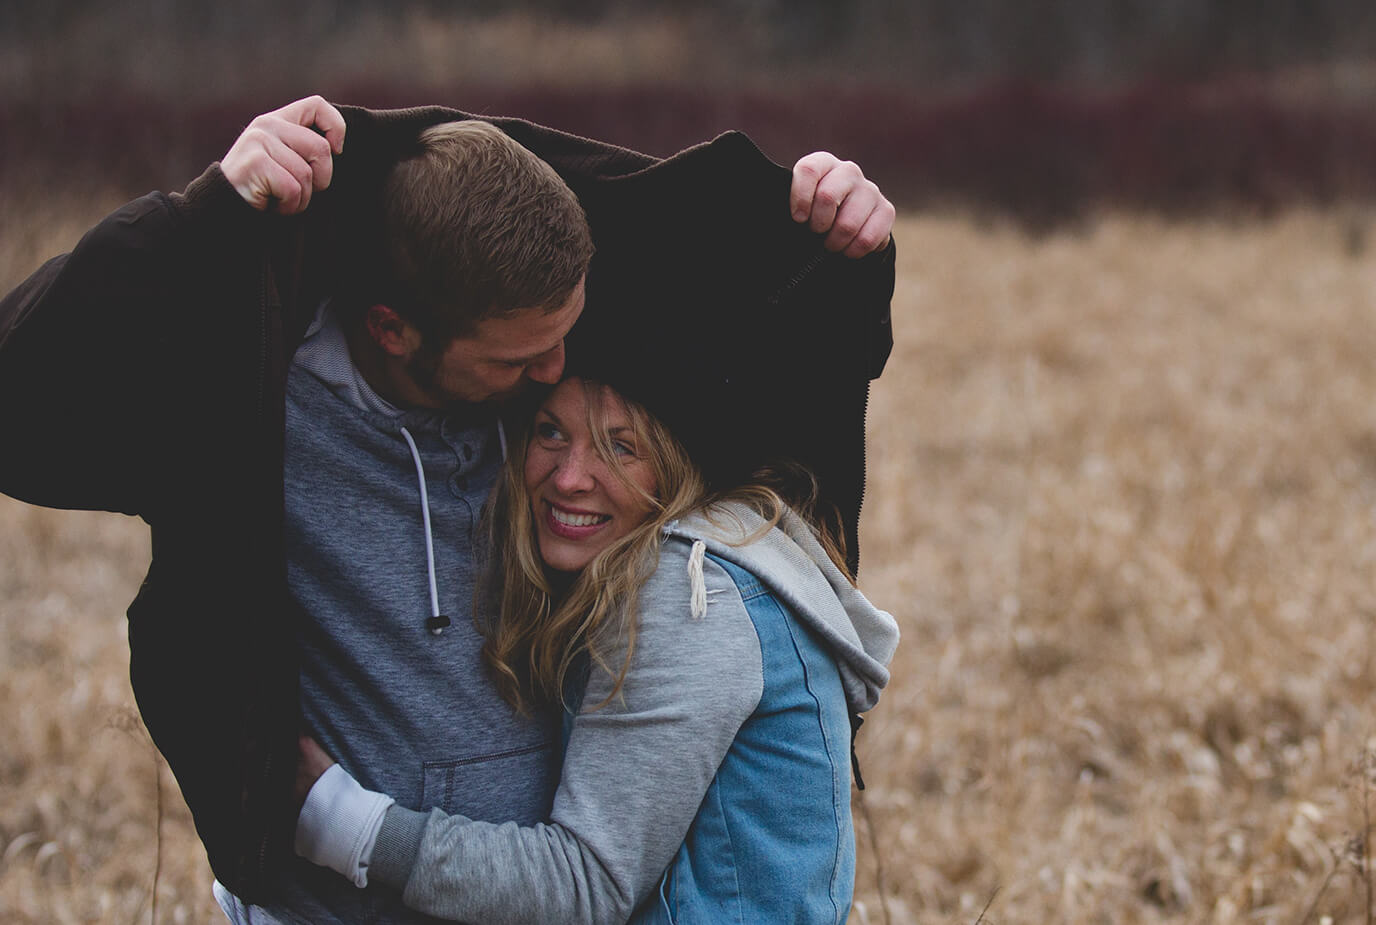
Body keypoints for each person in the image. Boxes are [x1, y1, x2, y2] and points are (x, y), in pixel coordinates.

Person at [0, 95, 896, 924]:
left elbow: (749, 309)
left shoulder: (540, 351)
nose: (553, 374)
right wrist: (205, 214)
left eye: (562, 344)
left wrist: (836, 219)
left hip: (524, 896)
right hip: (329, 899)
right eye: (519, 368)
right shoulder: (248, 396)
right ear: (394, 330)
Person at [291, 373, 898, 924]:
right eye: (551, 432)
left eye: (621, 447)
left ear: (678, 464)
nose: (569, 477)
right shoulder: (703, 560)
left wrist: (343, 822)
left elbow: (586, 884)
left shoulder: (690, 594)